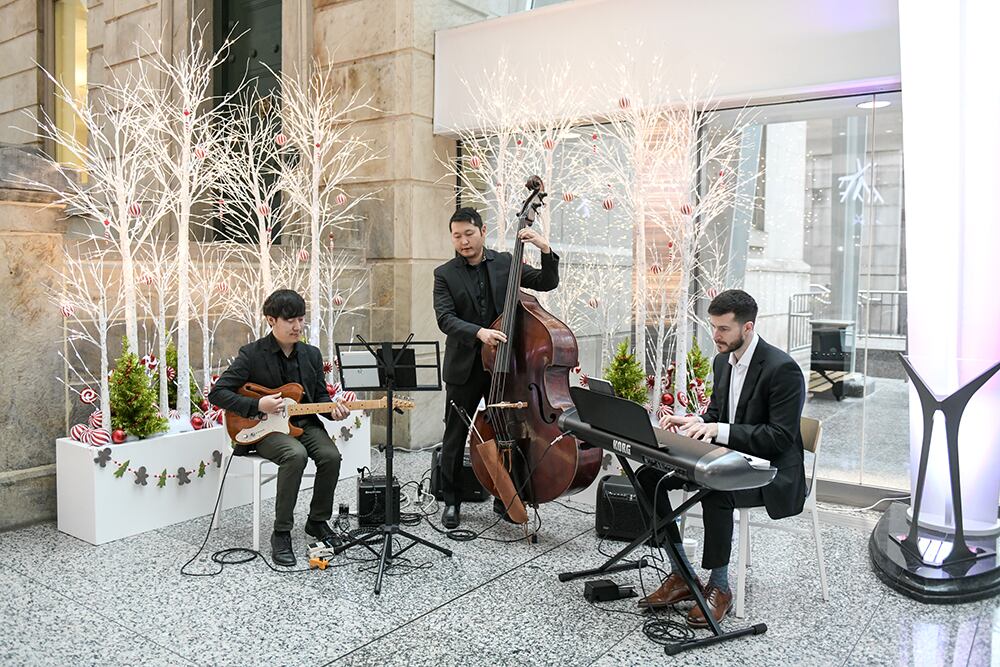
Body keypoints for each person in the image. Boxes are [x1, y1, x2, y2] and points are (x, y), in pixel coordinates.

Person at [636, 289, 806, 627]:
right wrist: (696, 421)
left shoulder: (782, 369)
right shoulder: (721, 360)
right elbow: (717, 412)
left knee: (716, 491)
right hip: (727, 459)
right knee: (646, 477)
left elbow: (779, 438)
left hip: (769, 471)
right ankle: (681, 573)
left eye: (723, 329)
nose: (715, 336)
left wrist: (718, 430)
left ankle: (720, 586)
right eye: (713, 327)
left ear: (747, 328)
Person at [433, 205, 560, 529]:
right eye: (457, 236)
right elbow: (446, 319)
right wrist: (479, 332)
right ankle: (451, 501)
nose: (463, 241)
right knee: (454, 434)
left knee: (507, 432)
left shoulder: (506, 263)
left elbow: (547, 281)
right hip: (465, 367)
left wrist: (544, 248)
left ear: (483, 231)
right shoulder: (444, 274)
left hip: (506, 370)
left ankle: (505, 496)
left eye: (469, 234)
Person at [209, 289, 350, 566]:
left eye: (300, 319)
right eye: (290, 321)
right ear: (271, 320)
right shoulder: (251, 354)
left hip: (304, 424)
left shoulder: (310, 354)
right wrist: (258, 405)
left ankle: (317, 522)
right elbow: (218, 393)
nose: (297, 326)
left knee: (331, 456)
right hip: (264, 429)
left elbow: (319, 397)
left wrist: (335, 411)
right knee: (295, 455)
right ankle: (281, 532)